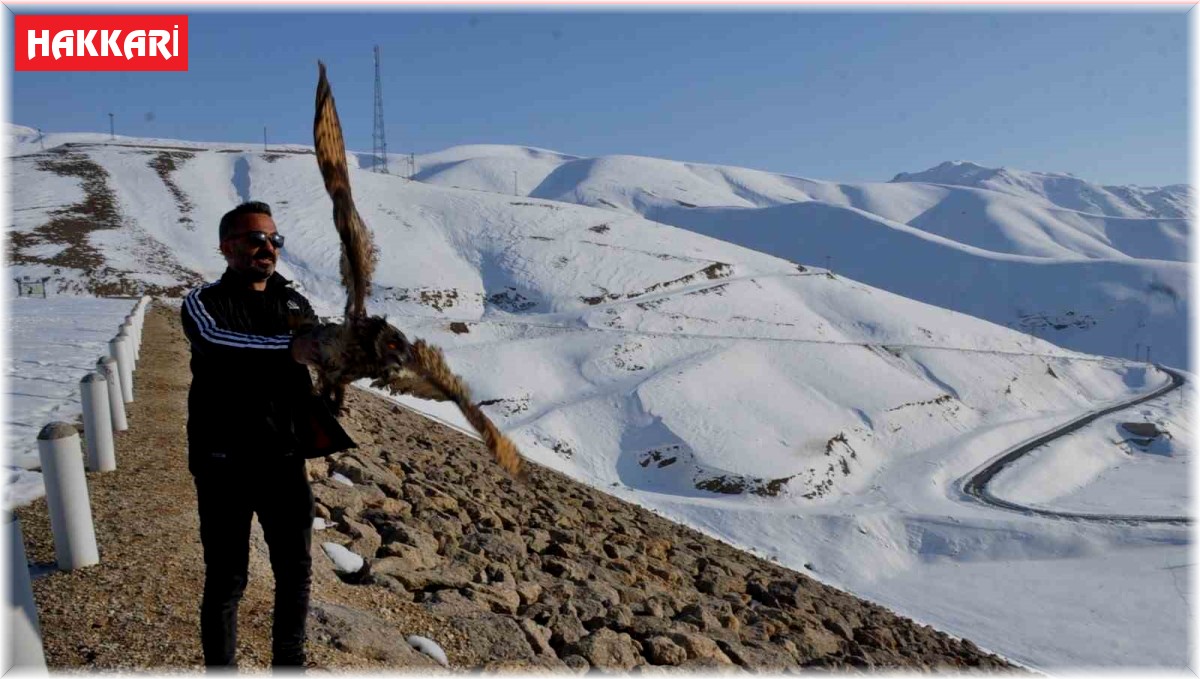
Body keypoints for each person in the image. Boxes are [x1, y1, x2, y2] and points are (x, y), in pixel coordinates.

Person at [180, 200, 356, 669]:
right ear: (226, 247)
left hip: (282, 457)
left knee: (296, 572)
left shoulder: (294, 302)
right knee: (226, 578)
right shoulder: (203, 302)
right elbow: (219, 343)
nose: (267, 248)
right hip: (224, 460)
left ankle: (289, 664)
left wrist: (353, 352)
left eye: (274, 239)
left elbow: (319, 355)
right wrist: (293, 347)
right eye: (255, 239)